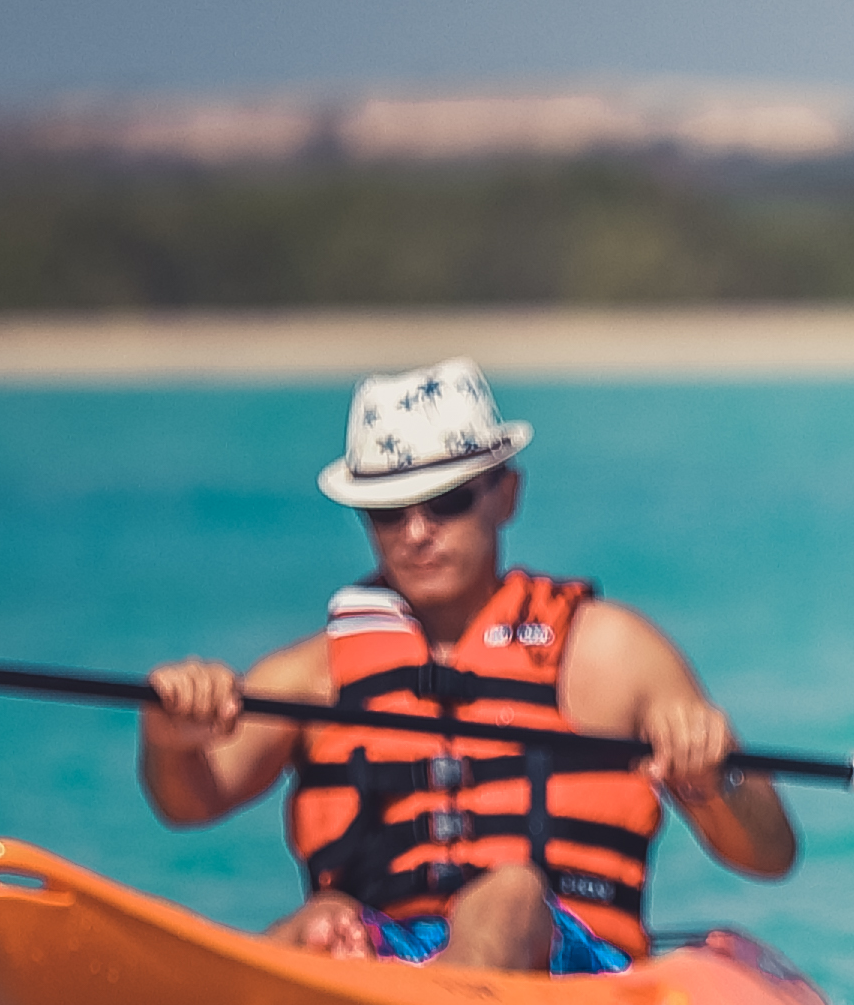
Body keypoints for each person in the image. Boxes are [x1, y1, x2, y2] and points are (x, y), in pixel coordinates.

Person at [135, 359, 795, 971]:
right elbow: (189, 801)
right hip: (382, 950)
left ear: (505, 495)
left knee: (508, 891)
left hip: (571, 958)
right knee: (324, 920)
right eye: (390, 511)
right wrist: (170, 737)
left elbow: (769, 855)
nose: (418, 531)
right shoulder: (311, 675)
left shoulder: (614, 653)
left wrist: (715, 779)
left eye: (446, 501)